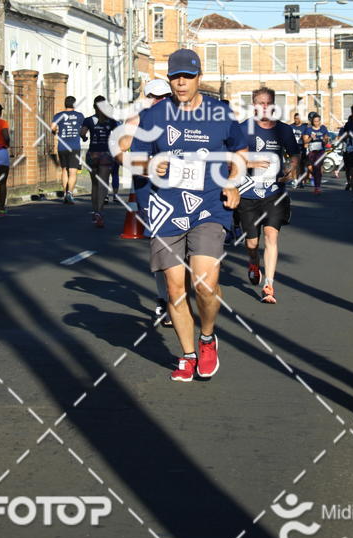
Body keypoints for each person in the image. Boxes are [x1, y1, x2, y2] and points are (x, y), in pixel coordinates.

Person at [129, 49, 248, 382]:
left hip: (209, 207)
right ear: (169, 80)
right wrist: (151, 166)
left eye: (187, 77)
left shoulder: (220, 113)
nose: (181, 83)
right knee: (174, 288)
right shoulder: (154, 116)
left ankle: (207, 337)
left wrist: (233, 183)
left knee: (205, 285)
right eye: (175, 77)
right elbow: (134, 159)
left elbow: (239, 150)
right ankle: (187, 354)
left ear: (198, 77)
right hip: (166, 209)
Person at [115, 77, 173, 324]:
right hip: (148, 188)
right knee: (160, 244)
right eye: (155, 97)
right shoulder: (136, 120)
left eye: (164, 97)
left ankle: (178, 295)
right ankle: (165, 297)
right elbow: (120, 151)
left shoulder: (182, 116)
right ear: (147, 98)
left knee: (184, 244)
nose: (160, 102)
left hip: (179, 187)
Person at [236, 87, 299, 304]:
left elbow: (294, 155)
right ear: (253, 105)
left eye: (268, 103)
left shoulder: (284, 130)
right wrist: (250, 163)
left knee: (272, 236)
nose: (264, 106)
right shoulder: (242, 129)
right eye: (260, 103)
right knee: (252, 243)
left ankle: (269, 284)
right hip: (248, 193)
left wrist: (291, 168)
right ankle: (253, 262)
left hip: (275, 192)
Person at [80, 95, 118, 227]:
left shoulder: (88, 120)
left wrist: (85, 138)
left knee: (95, 185)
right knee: (103, 185)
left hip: (92, 154)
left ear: (93, 107)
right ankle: (100, 213)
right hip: (106, 154)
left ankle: (95, 212)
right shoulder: (111, 121)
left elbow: (82, 133)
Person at [51, 96, 85, 204]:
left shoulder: (58, 115)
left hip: (62, 146)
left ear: (65, 104)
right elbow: (83, 130)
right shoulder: (79, 116)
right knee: (73, 171)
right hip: (74, 147)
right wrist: (84, 137)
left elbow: (52, 127)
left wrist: (56, 133)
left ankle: (65, 193)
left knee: (64, 170)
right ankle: (70, 193)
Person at [302, 113, 329, 195]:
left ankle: (317, 187)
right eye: (315, 121)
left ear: (319, 121)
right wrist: (311, 138)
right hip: (311, 151)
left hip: (320, 151)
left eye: (318, 121)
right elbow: (305, 141)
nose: (316, 123)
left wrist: (325, 140)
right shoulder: (309, 129)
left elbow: (326, 140)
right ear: (312, 121)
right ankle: (317, 180)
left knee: (317, 166)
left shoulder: (323, 128)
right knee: (311, 168)